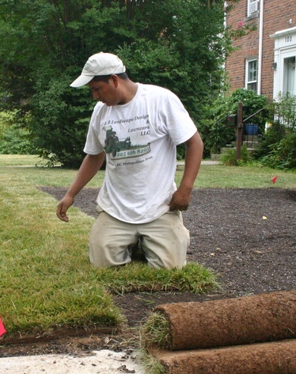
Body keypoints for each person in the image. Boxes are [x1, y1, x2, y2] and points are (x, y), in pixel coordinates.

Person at [56, 52, 204, 269]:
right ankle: (132, 241)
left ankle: (152, 240)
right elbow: (95, 155)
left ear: (114, 80)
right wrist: (70, 194)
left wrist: (185, 189)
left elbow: (195, 143)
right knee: (102, 264)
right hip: (116, 209)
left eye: (97, 89)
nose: (94, 97)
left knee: (170, 268)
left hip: (159, 207)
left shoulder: (160, 100)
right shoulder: (100, 112)